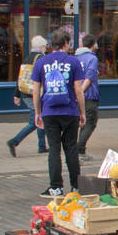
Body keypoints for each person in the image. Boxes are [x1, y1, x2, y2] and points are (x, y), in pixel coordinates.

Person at [32, 29, 88, 197]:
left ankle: (56, 188)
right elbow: (78, 90)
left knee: (54, 149)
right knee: (71, 148)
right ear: (66, 43)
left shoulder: (41, 62)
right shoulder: (73, 61)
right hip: (70, 110)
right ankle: (76, 187)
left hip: (49, 111)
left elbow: (36, 91)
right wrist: (82, 112)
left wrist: (37, 113)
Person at [8, 35, 49, 157]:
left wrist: (17, 95)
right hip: (35, 94)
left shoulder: (27, 58)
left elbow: (21, 78)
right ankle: (14, 141)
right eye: (45, 46)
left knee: (40, 118)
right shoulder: (41, 58)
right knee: (34, 121)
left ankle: (42, 146)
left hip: (25, 93)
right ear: (41, 47)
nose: (46, 48)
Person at [74, 33, 101, 160]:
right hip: (89, 95)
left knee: (82, 122)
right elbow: (89, 77)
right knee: (90, 122)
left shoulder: (75, 57)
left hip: (76, 95)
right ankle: (80, 150)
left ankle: (79, 150)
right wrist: (80, 91)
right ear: (93, 45)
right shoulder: (92, 58)